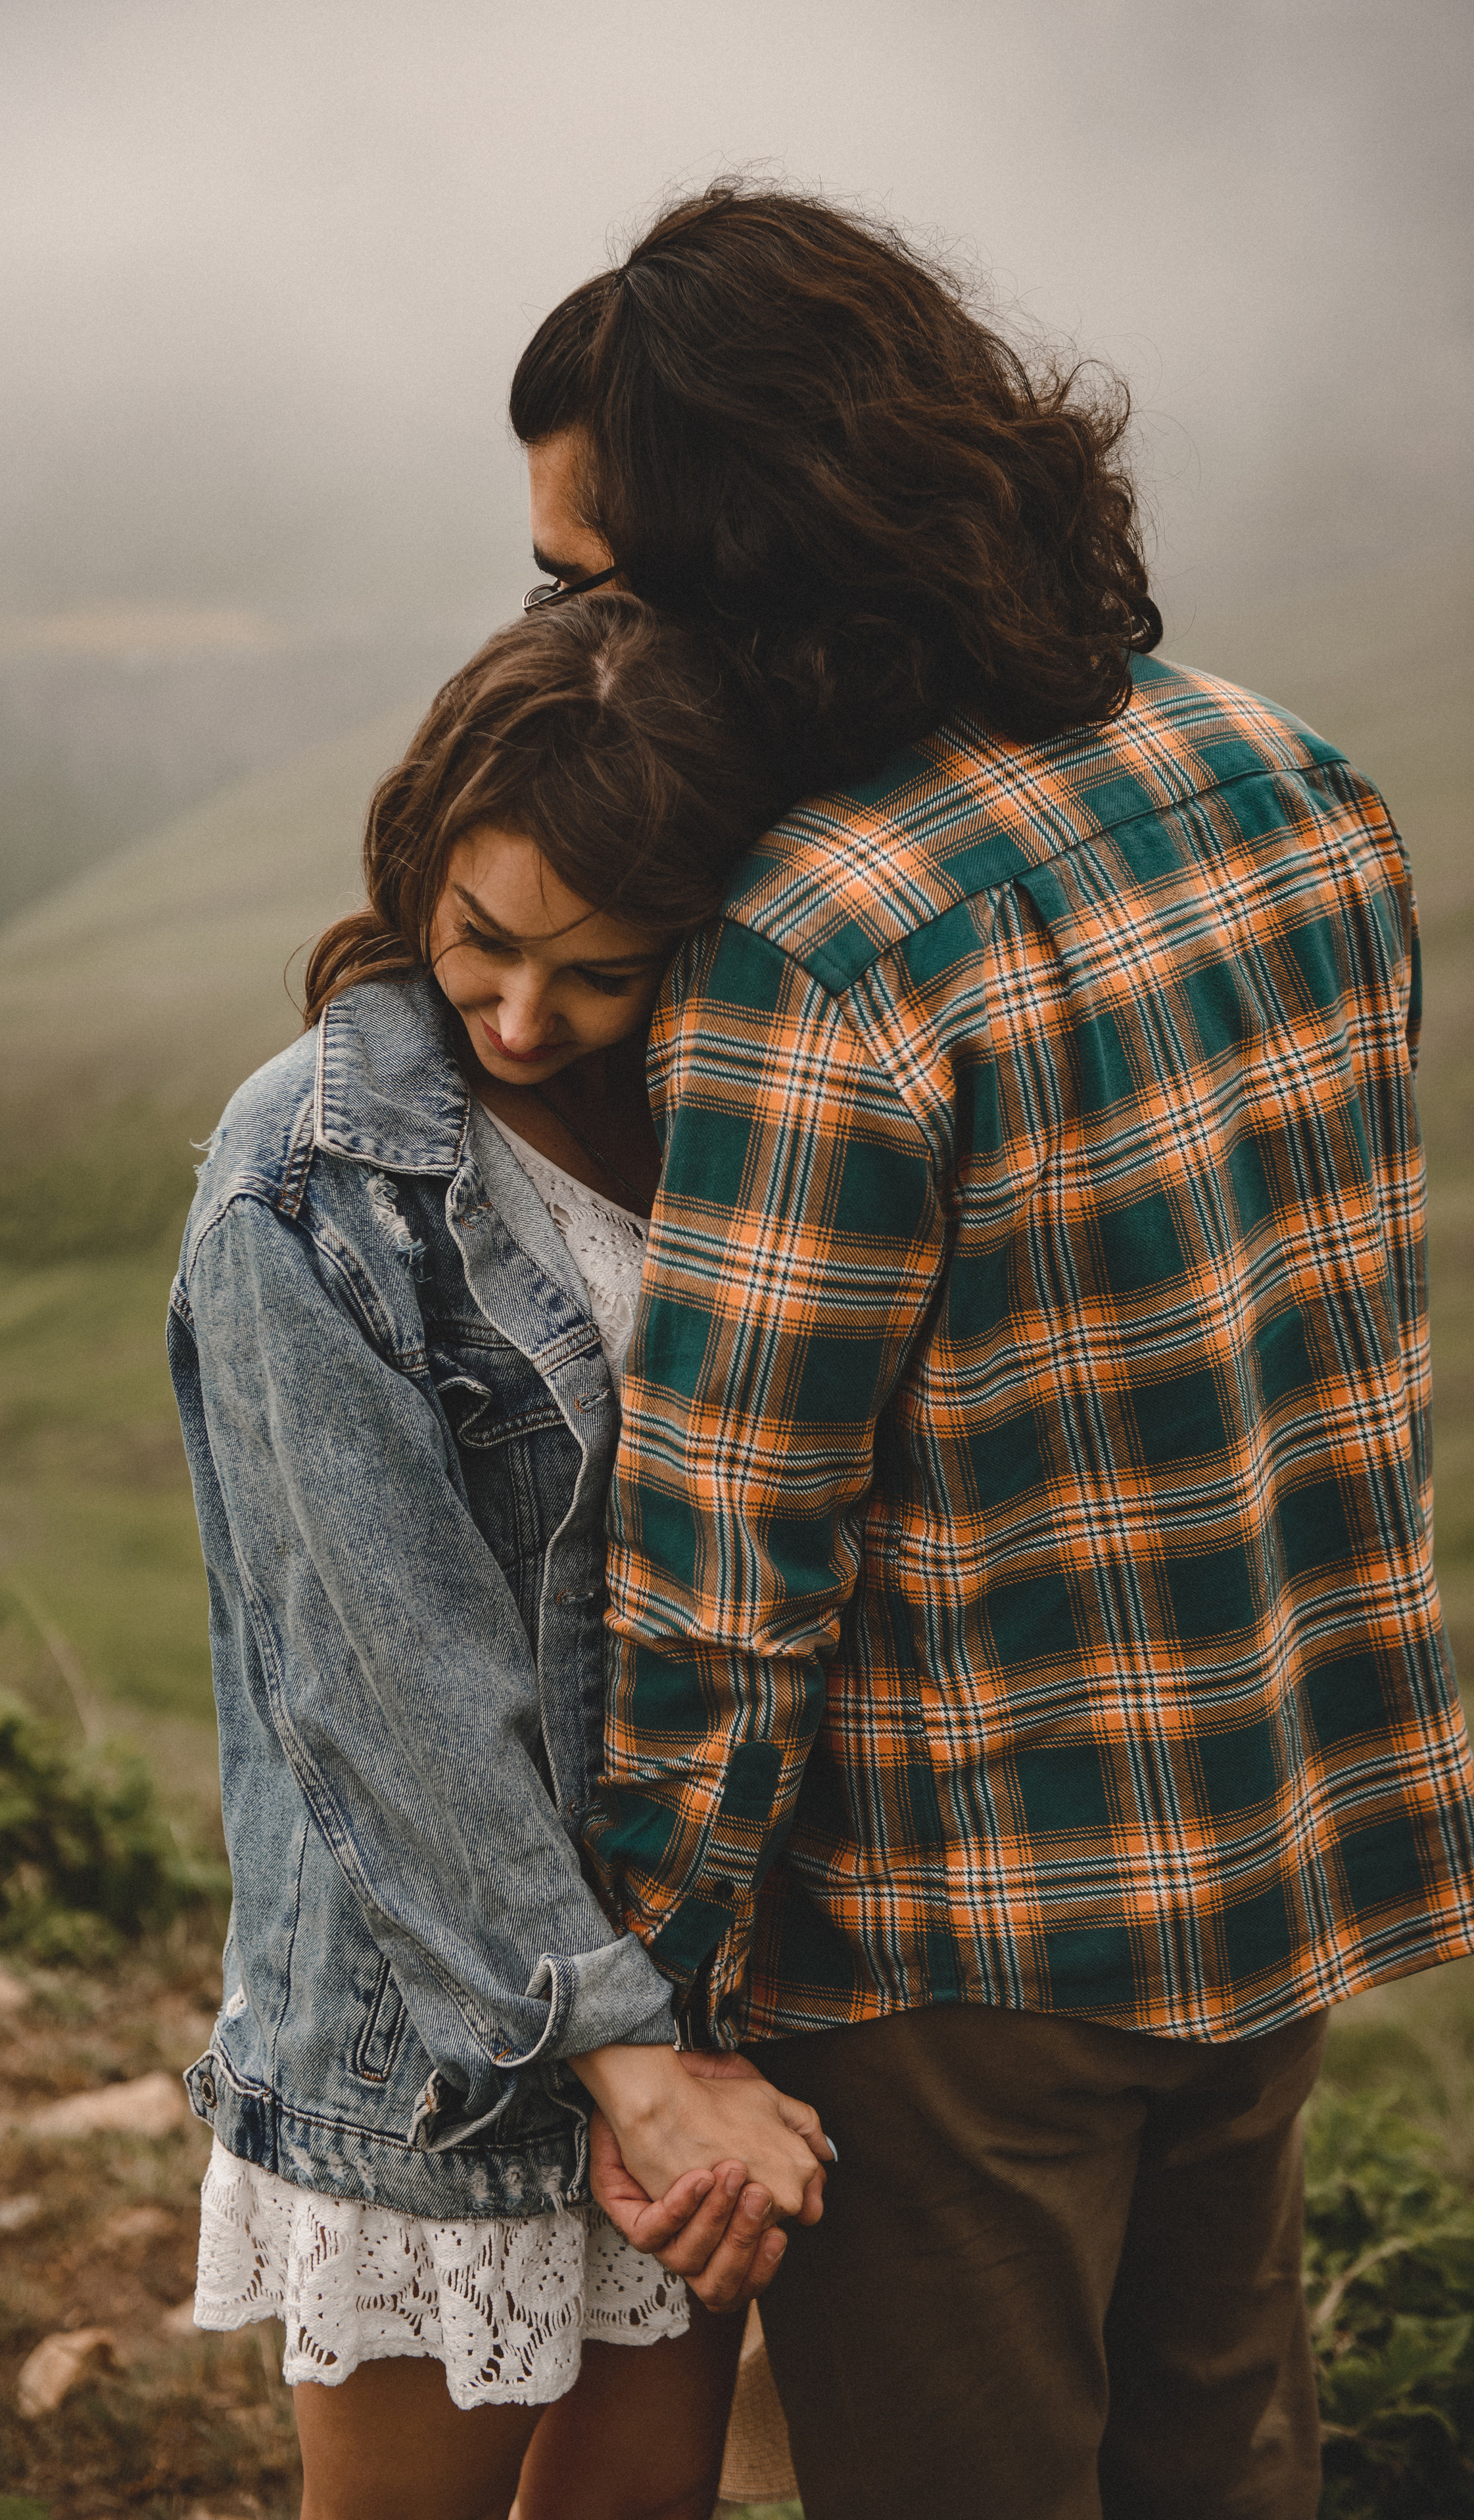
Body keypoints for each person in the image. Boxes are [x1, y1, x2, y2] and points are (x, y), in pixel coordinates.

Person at [510, 183, 1474, 2519]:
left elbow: (733, 1550)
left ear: (750, 558)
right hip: (1273, 1857)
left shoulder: (821, 942)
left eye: (595, 591)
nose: (571, 649)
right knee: (1225, 2468)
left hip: (957, 1955)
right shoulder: (1286, 774)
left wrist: (644, 2003)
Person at [167, 594, 832, 2520]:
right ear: (416, 864)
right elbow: (388, 1683)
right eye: (484, 943)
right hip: (429, 2045)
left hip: (685, 1992)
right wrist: (620, 2056)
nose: (530, 1017)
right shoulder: (304, 1172)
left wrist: (680, 2038)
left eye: (602, 970)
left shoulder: (720, 1110)